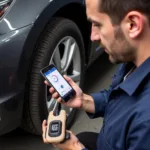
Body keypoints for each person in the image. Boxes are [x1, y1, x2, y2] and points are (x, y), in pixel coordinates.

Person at [42, 0, 150, 149]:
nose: (93, 36)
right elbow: (119, 99)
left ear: (132, 24)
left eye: (98, 24)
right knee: (85, 137)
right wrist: (83, 100)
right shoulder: (133, 60)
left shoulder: (146, 122)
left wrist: (74, 147)